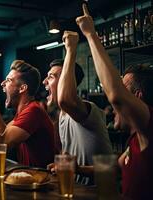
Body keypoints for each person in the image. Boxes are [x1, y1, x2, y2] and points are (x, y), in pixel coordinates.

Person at [76, 4, 153, 199]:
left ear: (138, 98)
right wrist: (76, 168)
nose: (113, 106)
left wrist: (91, 34)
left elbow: (115, 95)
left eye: (124, 88)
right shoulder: (136, 139)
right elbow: (117, 167)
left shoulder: (149, 127)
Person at [44, 31, 112, 185]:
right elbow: (68, 156)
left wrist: (71, 49)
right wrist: (61, 166)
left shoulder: (86, 110)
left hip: (98, 193)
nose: (44, 82)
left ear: (66, 81)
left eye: (51, 77)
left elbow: (66, 100)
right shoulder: (63, 115)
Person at [0, 60, 61, 168]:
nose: (3, 83)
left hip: (42, 180)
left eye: (8, 80)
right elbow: (3, 133)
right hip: (30, 178)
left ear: (22, 88)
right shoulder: (26, 110)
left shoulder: (33, 111)